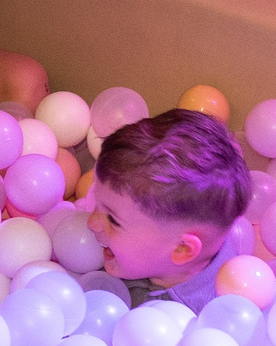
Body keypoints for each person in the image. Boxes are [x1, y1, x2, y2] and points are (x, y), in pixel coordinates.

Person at [87, 107, 255, 312]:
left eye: (113, 220)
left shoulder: (193, 320)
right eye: (97, 202)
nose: (91, 223)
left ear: (182, 249)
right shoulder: (154, 244)